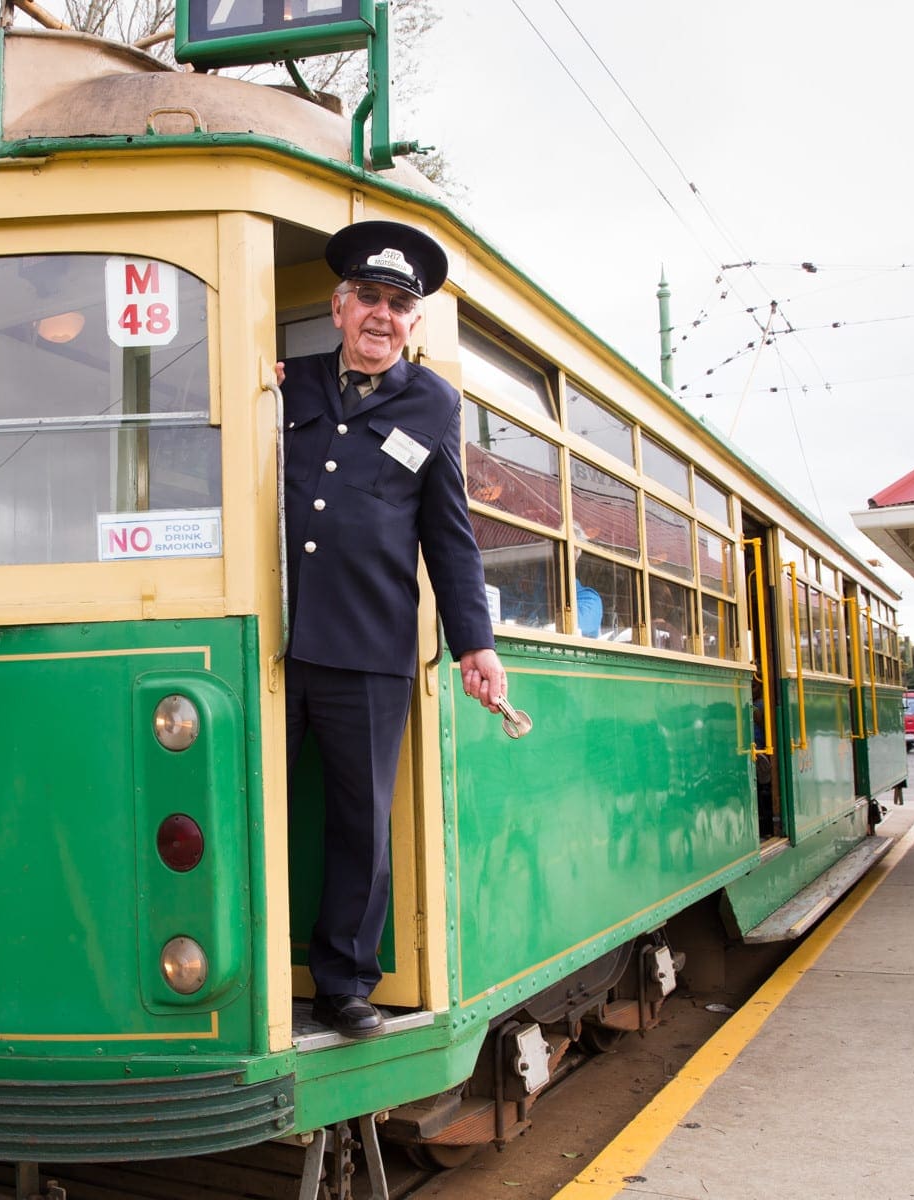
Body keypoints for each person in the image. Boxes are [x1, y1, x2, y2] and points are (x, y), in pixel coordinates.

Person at [276, 220, 506, 1039]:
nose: (382, 314)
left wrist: (475, 642)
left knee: (360, 822)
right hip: (274, 644)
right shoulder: (285, 384)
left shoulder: (434, 402)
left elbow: (448, 532)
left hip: (370, 649)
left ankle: (343, 983)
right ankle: (255, 970)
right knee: (255, 809)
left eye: (398, 304)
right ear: (338, 308)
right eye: (368, 297)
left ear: (412, 323)